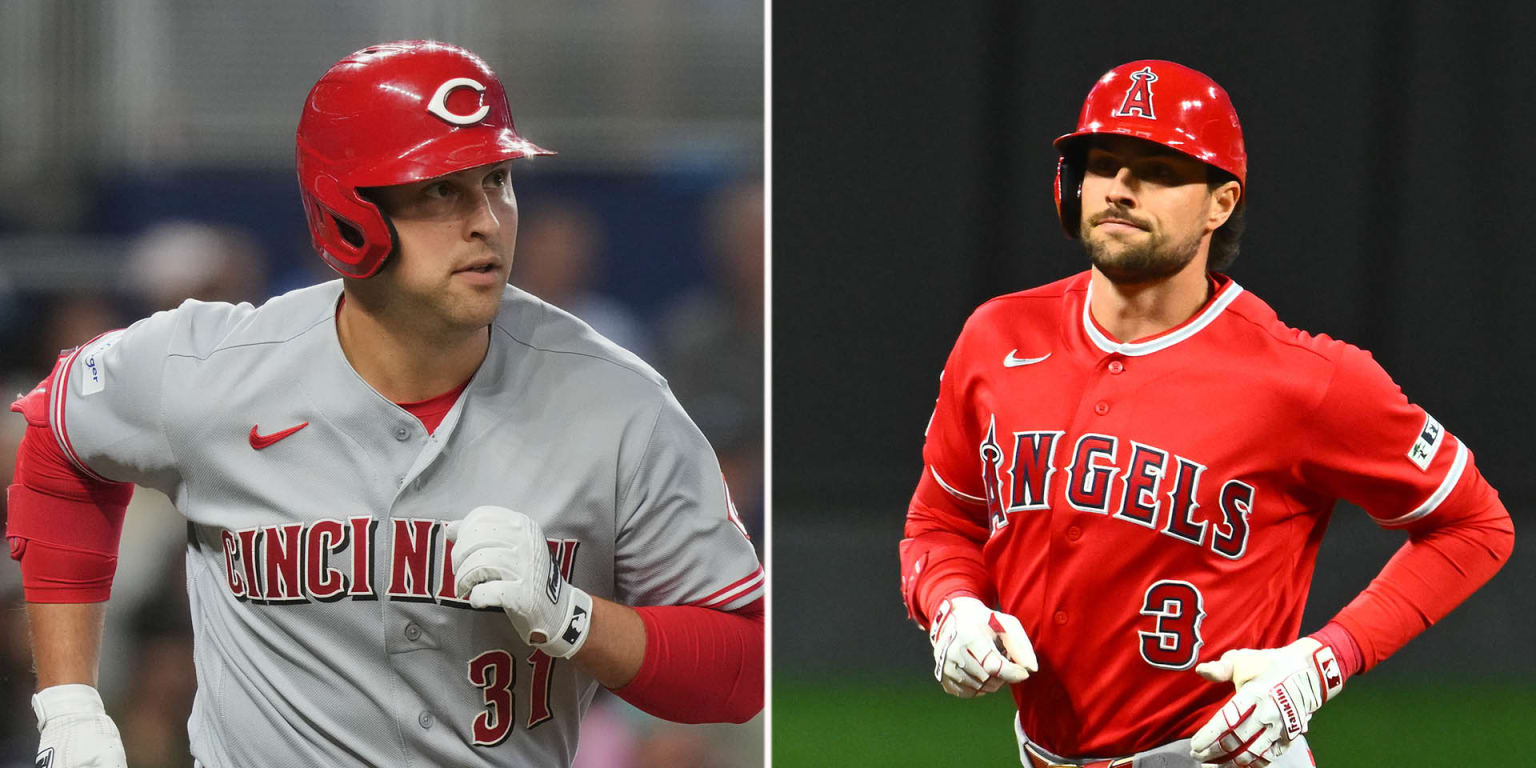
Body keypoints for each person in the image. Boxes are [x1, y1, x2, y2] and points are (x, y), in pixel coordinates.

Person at [6, 40, 763, 768]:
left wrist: (576, 618)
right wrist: (69, 702)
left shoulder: (617, 403)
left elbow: (741, 665)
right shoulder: (214, 368)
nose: (486, 220)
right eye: (441, 189)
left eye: (497, 179)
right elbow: (59, 438)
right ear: (347, 216)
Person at [898, 59, 1513, 768]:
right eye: (1104, 163)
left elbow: (1474, 524)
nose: (1121, 189)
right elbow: (941, 523)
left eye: (1158, 169)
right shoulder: (996, 336)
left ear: (1221, 203)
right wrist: (952, 606)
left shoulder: (1304, 380)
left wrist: (1322, 663)